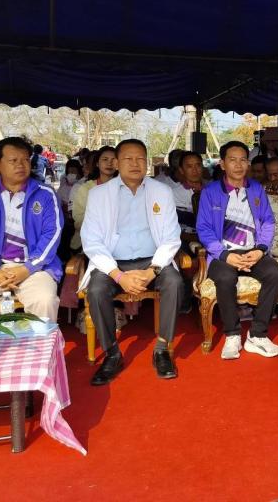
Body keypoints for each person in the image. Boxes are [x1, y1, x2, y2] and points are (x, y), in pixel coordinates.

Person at [80, 139, 185, 384]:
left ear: (147, 163)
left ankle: (162, 349)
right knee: (96, 290)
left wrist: (152, 271)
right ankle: (112, 353)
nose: (135, 164)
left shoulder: (162, 192)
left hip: (153, 260)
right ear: (117, 163)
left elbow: (171, 237)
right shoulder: (99, 194)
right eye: (128, 158)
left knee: (175, 283)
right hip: (113, 262)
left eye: (140, 159)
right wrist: (119, 276)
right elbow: (91, 240)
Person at [196, 141, 278, 360]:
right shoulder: (210, 192)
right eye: (232, 160)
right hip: (222, 254)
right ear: (222, 164)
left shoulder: (256, 188)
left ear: (248, 163)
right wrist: (225, 255)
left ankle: (258, 335)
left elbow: (268, 222)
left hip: (252, 250)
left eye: (243, 160)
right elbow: (204, 229)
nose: (238, 165)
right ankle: (232, 334)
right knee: (226, 277)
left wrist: (261, 250)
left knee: (274, 273)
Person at [0, 137, 64, 321]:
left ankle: (42, 341)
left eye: (25, 160)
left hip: (35, 268)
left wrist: (27, 268)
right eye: (13, 160)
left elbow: (52, 234)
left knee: (44, 300)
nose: (20, 165)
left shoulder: (45, 194)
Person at [71, 146, 117, 251]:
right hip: (87, 244)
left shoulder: (123, 188)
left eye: (113, 160)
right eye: (105, 159)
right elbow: (78, 221)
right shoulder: (86, 189)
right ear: (97, 163)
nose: (109, 163)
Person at [171, 151, 205, 233]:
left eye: (198, 165)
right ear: (181, 170)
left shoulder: (214, 190)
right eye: (189, 166)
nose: (195, 170)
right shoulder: (173, 195)